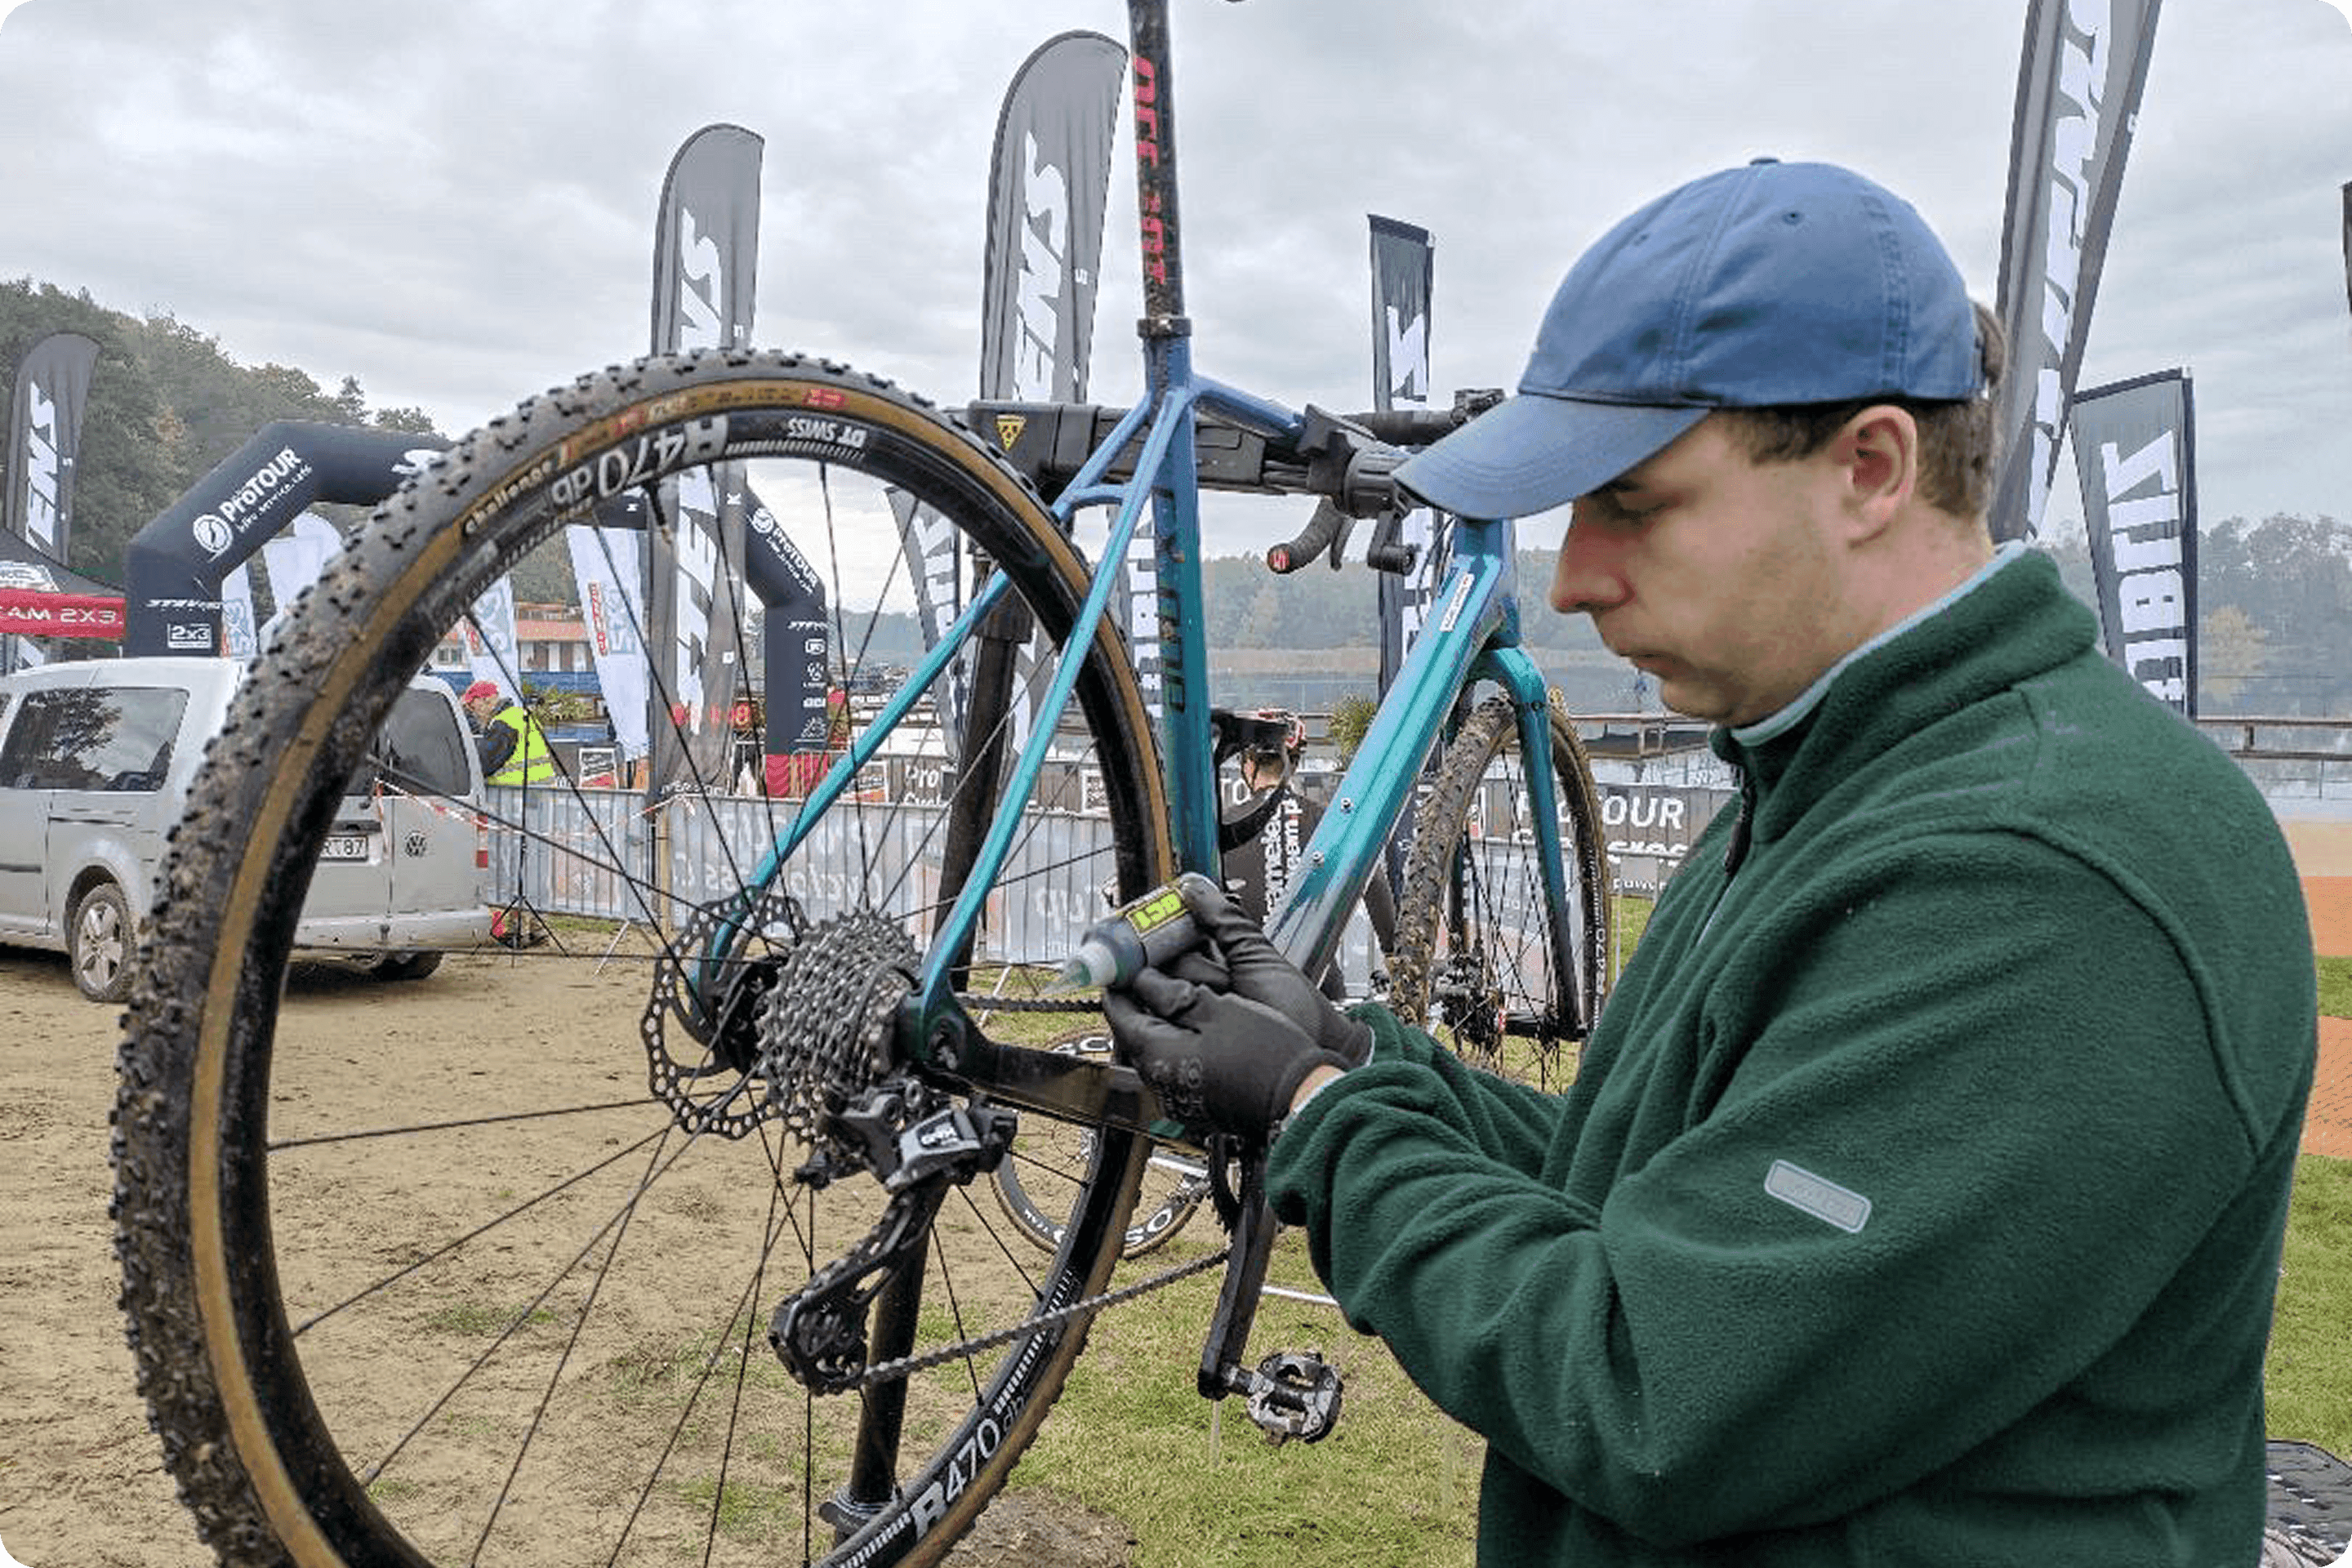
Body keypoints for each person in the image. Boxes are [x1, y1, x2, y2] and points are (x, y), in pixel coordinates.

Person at [1103, 158, 2317, 1566]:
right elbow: (1668, 1201)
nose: (1571, 577)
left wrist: (1324, 1119)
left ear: (1870, 469)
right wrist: (1371, 1069)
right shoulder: (1826, 776)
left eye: (1632, 501)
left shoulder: (2047, 874)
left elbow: (1658, 1386)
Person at [1218, 710, 1396, 999]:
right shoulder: (1324, 822)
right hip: (1319, 987)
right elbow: (1373, 881)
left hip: (1247, 991)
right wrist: (1392, 953)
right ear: (1293, 765)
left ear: (1248, 764)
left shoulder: (1223, 828)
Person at [461, 679, 555, 787]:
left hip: (516, 792)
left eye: (472, 706)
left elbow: (486, 763)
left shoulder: (503, 724)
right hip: (544, 787)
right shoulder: (521, 715)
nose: (473, 712)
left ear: (486, 700)